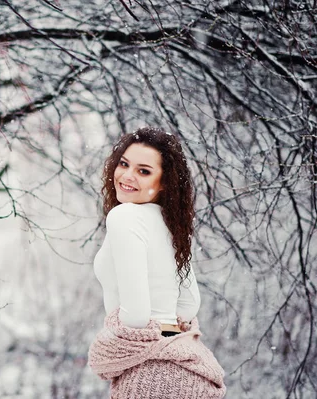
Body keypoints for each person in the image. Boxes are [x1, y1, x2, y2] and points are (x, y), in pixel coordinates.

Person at [87, 127, 226, 399]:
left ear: (164, 182)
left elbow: (136, 317)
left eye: (144, 171)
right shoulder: (169, 222)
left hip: (149, 377)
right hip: (189, 373)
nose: (127, 176)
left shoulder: (124, 216)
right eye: (124, 164)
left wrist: (106, 349)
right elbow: (188, 305)